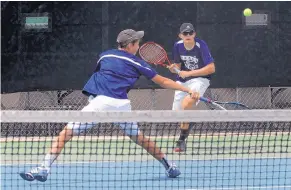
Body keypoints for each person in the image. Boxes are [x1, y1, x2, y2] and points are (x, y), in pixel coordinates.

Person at [19, 29, 200, 182]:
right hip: (121, 105)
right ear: (129, 45)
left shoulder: (104, 55)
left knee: (65, 133)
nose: (138, 47)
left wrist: (93, 96)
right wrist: (187, 89)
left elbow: (100, 75)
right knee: (140, 139)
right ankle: (169, 166)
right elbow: (163, 81)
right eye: (137, 43)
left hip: (101, 103)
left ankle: (44, 168)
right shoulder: (138, 62)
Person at [168, 23, 215, 152]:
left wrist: (189, 73)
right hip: (182, 81)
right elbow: (177, 66)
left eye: (190, 33)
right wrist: (174, 69)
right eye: (185, 34)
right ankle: (190, 121)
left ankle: (181, 141)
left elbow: (211, 68)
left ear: (194, 34)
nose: (188, 35)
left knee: (187, 103)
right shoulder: (177, 46)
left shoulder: (201, 45)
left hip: (200, 80)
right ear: (180, 35)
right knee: (178, 114)